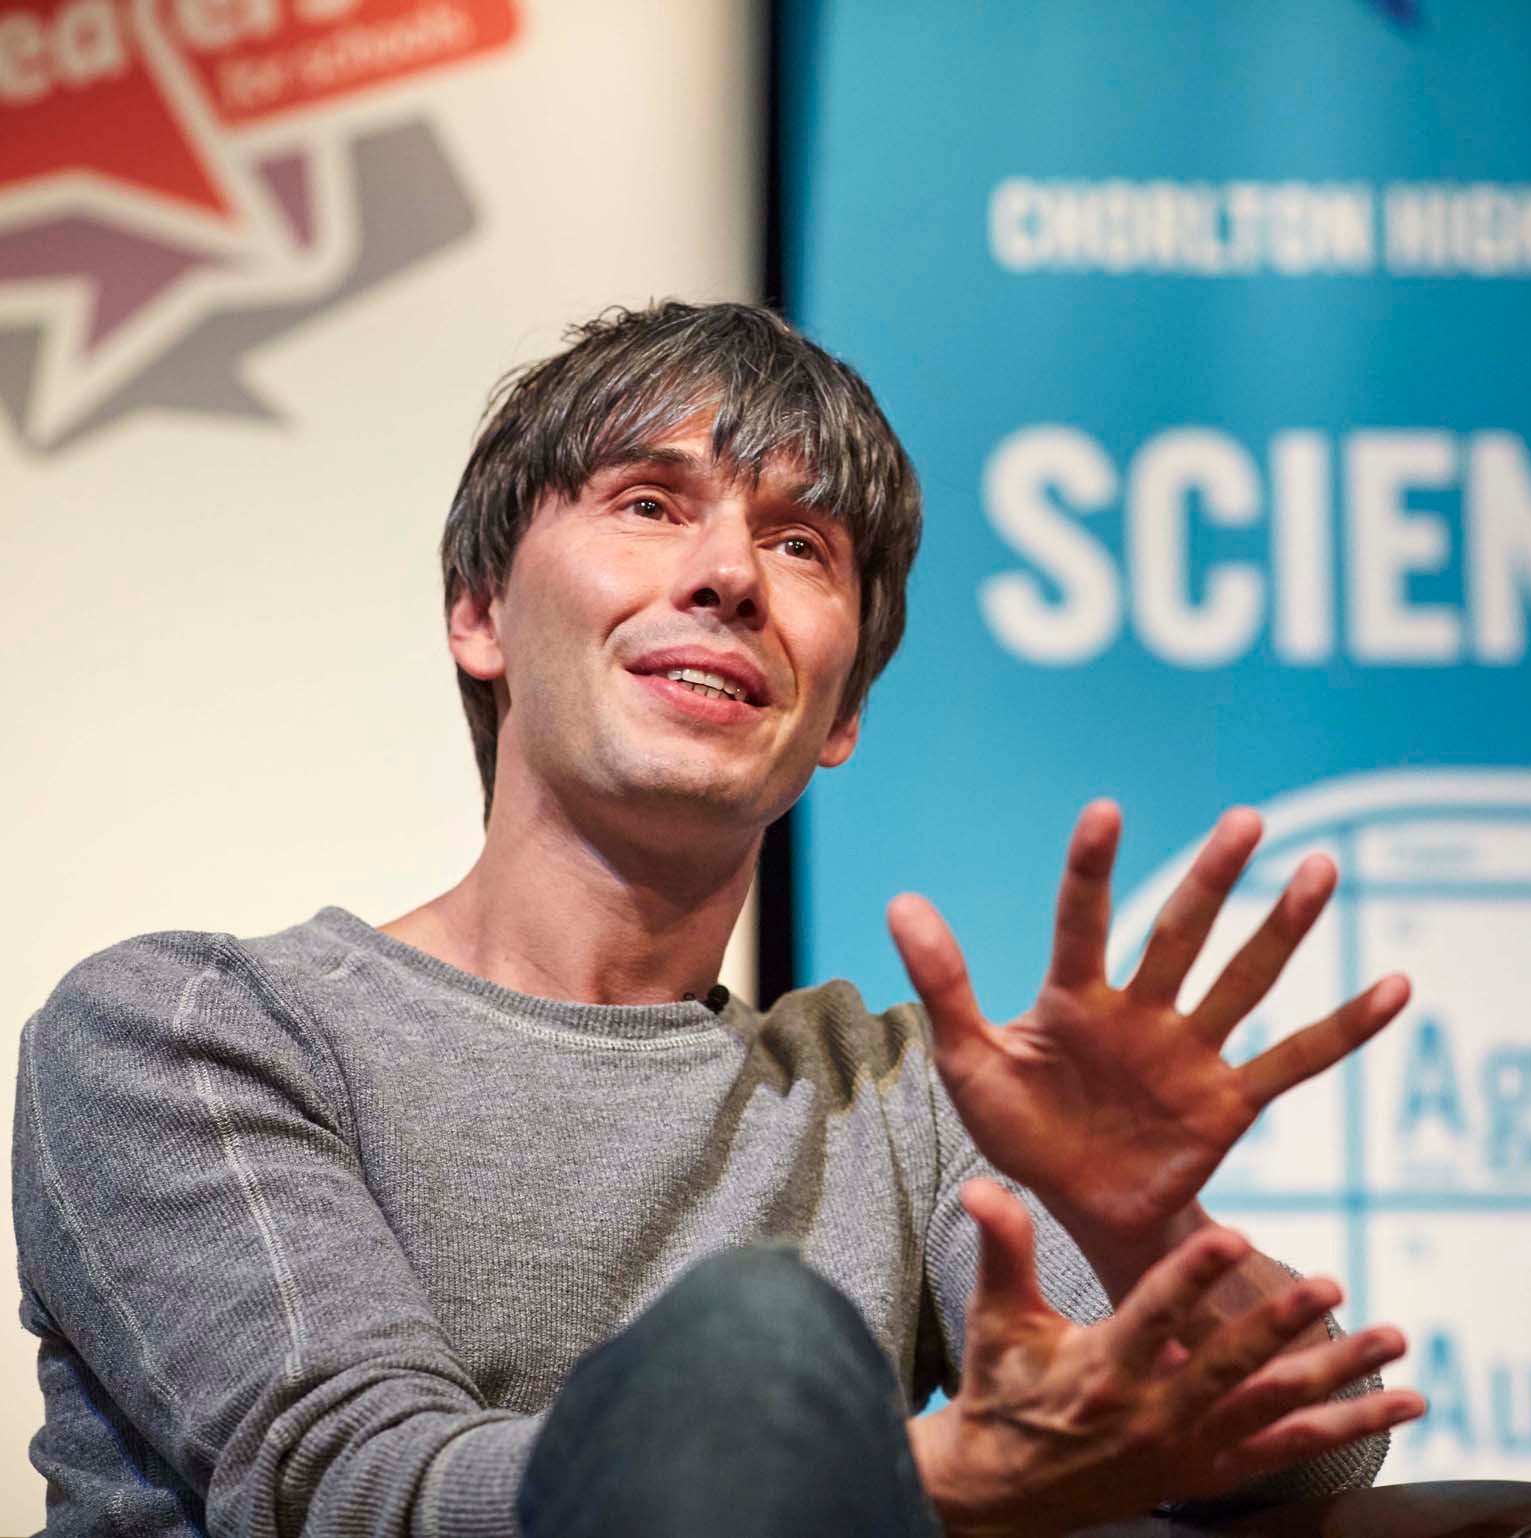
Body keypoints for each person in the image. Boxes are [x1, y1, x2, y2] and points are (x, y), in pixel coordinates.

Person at [13, 301, 1427, 1538]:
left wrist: (1150, 1232)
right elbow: (359, 1494)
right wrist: (916, 1480)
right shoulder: (189, 1029)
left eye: (804, 546)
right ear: (479, 612)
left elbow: (1326, 1439)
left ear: (842, 716)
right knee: (758, 1339)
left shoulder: (903, 1100)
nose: (732, 576)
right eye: (650, 503)